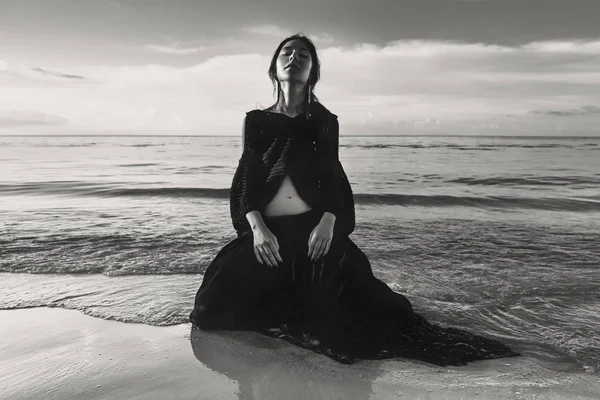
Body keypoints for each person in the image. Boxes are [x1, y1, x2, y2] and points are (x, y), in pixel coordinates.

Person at [190, 33, 520, 366]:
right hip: (269, 232)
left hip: (311, 231)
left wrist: (329, 222)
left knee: (349, 317)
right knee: (210, 310)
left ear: (312, 71)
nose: (294, 58)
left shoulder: (324, 121)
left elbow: (333, 176)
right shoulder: (257, 120)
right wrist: (257, 228)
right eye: (286, 53)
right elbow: (247, 176)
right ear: (275, 69)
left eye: (303, 55)